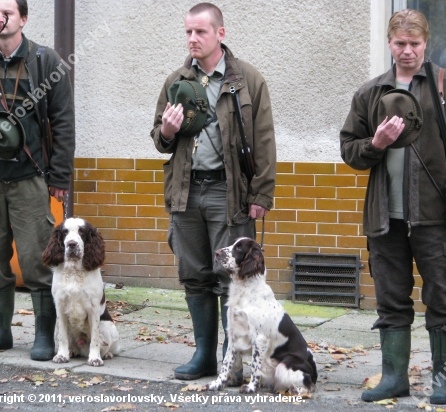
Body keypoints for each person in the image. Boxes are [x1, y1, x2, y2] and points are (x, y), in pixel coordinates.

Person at [340, 9, 446, 405]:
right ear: (389, 43)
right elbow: (350, 151)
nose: (407, 52)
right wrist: (378, 143)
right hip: (385, 215)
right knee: (391, 298)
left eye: (414, 44)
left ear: (426, 43)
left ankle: (442, 380)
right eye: (400, 44)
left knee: (440, 298)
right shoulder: (370, 93)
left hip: (436, 215)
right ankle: (393, 378)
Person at [150, 2, 276, 381]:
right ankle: (204, 354)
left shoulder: (247, 80)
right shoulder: (176, 81)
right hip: (186, 192)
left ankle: (231, 358)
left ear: (220, 33)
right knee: (194, 274)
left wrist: (261, 195)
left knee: (230, 277)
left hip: (229, 193)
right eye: (188, 32)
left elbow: (265, 142)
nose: (192, 39)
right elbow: (159, 138)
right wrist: (168, 132)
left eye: (200, 32)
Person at [0, 0, 74, 360]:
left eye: (7, 12)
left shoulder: (45, 62)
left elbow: (63, 122)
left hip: (30, 178)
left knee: (36, 257)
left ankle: (43, 335)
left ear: (23, 18)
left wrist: (59, 177)